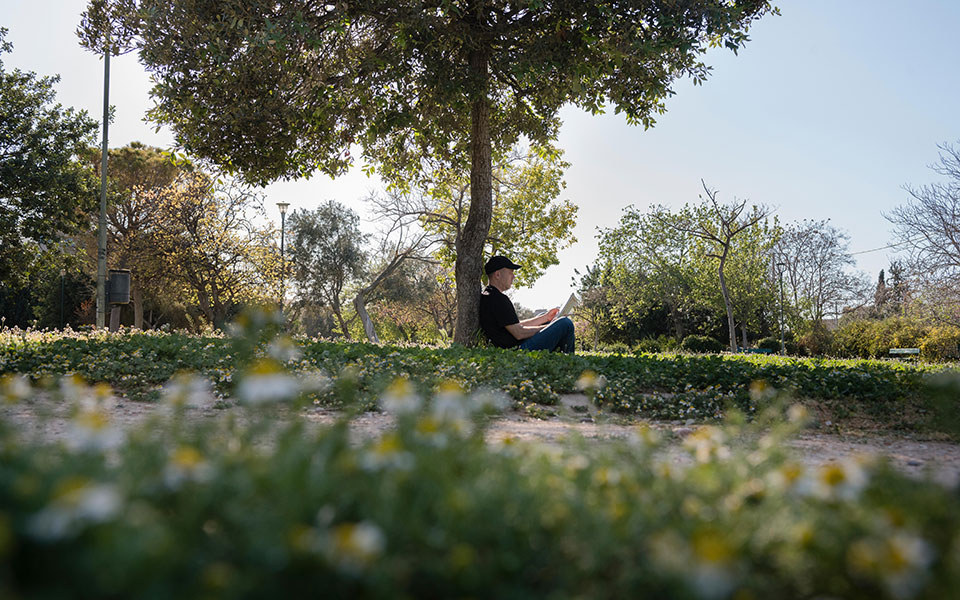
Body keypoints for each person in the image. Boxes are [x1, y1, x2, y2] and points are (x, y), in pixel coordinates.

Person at [478, 255, 575, 353]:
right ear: (497, 274)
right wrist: (551, 327)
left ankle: (558, 355)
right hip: (517, 351)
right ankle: (568, 360)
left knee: (545, 320)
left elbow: (515, 326)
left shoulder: (491, 295)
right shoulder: (497, 299)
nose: (513, 276)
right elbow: (519, 333)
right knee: (565, 324)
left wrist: (546, 318)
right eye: (510, 272)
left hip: (515, 346)